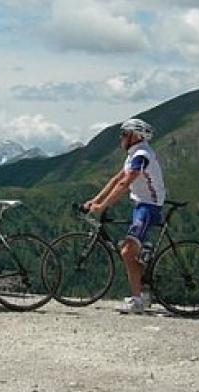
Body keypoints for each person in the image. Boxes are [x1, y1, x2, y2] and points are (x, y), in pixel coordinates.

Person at [83, 118, 166, 314]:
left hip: (149, 206)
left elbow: (125, 184)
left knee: (127, 252)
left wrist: (102, 206)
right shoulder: (132, 155)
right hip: (140, 204)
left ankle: (137, 301)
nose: (120, 138)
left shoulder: (142, 155)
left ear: (136, 136)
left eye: (124, 134)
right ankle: (143, 280)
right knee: (126, 249)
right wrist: (94, 200)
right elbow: (116, 179)